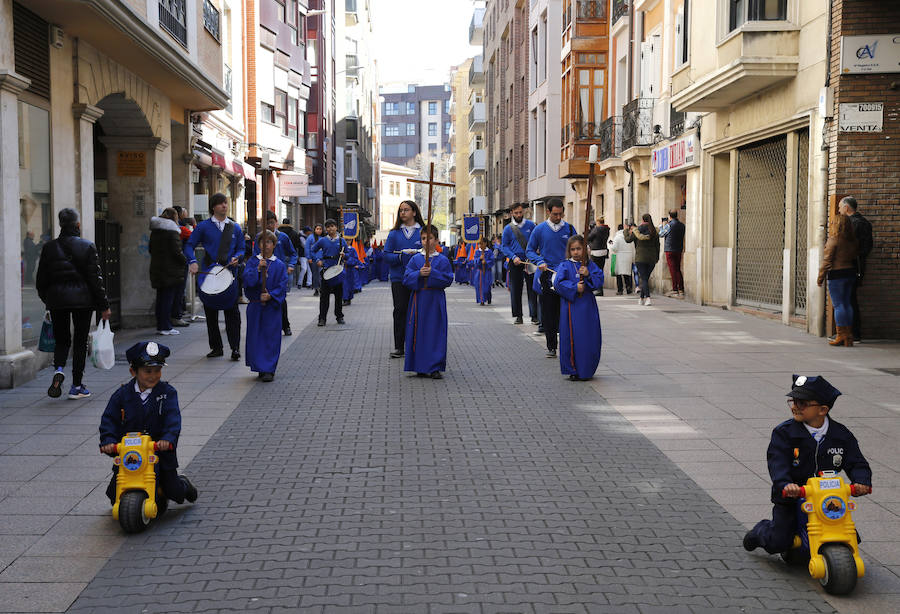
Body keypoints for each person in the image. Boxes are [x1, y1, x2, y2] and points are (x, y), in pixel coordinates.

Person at [743, 375, 871, 555]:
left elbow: (857, 462)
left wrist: (861, 481)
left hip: (826, 498)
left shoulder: (841, 435)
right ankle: (761, 531)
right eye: (793, 401)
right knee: (779, 541)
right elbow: (777, 463)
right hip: (793, 497)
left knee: (850, 538)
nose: (794, 406)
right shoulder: (785, 433)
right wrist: (786, 484)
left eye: (802, 403)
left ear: (822, 409)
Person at [99, 341, 198, 507]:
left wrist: (168, 438)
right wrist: (108, 441)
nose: (153, 375)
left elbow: (173, 419)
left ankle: (184, 485)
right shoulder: (121, 395)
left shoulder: (167, 393)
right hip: (131, 456)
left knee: (174, 491)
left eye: (158, 370)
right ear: (133, 372)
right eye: (147, 371)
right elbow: (109, 420)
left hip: (159, 453)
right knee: (114, 495)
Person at [36, 208, 111, 400]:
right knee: (79, 342)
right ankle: (77, 385)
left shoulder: (49, 247)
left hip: (57, 301)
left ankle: (58, 370)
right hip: (83, 302)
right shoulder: (87, 246)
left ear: (60, 224)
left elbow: (41, 280)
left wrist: (49, 299)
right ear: (77, 225)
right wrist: (103, 305)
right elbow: (96, 279)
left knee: (61, 341)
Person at [184, 193, 246, 361]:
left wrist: (238, 257)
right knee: (211, 313)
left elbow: (242, 248)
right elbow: (189, 245)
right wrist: (192, 261)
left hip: (229, 274)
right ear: (213, 207)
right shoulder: (203, 227)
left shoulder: (235, 227)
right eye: (220, 203)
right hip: (209, 273)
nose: (224, 206)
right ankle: (216, 347)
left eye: (225, 203)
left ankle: (235, 348)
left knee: (232, 313)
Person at [526, 198, 576, 358]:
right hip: (547, 274)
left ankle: (568, 344)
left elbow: (577, 247)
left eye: (561, 214)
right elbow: (530, 250)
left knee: (567, 310)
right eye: (555, 214)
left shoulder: (569, 228)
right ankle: (551, 346)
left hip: (566, 274)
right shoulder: (539, 229)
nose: (558, 217)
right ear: (548, 212)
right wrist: (539, 261)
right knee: (548, 311)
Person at [402, 225, 453, 379]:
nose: (426, 241)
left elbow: (448, 279)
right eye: (423, 238)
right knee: (418, 331)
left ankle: (435, 366)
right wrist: (418, 274)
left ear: (436, 240)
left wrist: (433, 273)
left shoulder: (442, 260)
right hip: (419, 300)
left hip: (435, 300)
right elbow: (406, 279)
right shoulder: (415, 259)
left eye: (430, 238)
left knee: (435, 332)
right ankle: (419, 366)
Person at [554, 235, 603, 381]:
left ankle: (587, 368)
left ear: (584, 249)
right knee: (571, 338)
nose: (576, 252)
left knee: (588, 338)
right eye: (573, 249)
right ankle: (573, 369)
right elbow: (558, 283)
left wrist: (587, 275)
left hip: (587, 307)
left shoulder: (590, 265)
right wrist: (575, 287)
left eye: (579, 249)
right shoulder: (565, 265)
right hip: (571, 307)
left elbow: (599, 280)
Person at [244, 230, 289, 382]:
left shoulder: (279, 265)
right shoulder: (252, 262)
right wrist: (257, 269)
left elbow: (283, 285)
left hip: (272, 307)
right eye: (263, 242)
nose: (266, 245)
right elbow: (247, 282)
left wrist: (271, 295)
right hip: (256, 306)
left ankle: (269, 368)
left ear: (274, 245)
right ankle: (259, 367)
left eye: (269, 242)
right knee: (256, 337)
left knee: (271, 337)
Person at [383, 200, 425, 359]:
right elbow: (386, 255)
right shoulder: (394, 234)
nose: (403, 213)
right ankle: (399, 346)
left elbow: (432, 251)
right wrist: (401, 256)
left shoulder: (422, 231)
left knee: (418, 310)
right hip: (399, 278)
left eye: (406, 210)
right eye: (400, 210)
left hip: (418, 277)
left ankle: (417, 344)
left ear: (414, 212)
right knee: (400, 310)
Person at [817, 213, 859, 347]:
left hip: (837, 275)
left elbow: (827, 260)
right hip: (850, 273)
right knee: (847, 304)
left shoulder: (834, 240)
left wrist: (820, 277)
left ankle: (841, 335)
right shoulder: (853, 241)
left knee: (839, 305)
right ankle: (849, 336)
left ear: (836, 224)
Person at [253, 211, 297, 336]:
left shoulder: (283, 237)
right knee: (265, 299)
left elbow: (293, 253)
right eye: (266, 223)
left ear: (276, 223)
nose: (269, 226)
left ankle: (285, 325)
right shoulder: (259, 238)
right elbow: (255, 256)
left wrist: (291, 265)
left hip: (280, 273)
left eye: (271, 223)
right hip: (264, 273)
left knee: (281, 299)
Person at [837, 197, 873, 343]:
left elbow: (849, 247)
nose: (839, 211)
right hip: (857, 266)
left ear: (846, 208)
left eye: (840, 208)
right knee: (850, 299)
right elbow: (867, 248)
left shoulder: (851, 224)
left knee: (848, 300)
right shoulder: (865, 223)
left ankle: (852, 333)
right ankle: (851, 333)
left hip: (849, 266)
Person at [149, 208, 187, 336]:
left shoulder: (155, 231)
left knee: (161, 298)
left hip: (157, 268)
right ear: (174, 217)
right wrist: (185, 261)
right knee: (167, 299)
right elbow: (177, 251)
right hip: (170, 270)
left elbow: (150, 249)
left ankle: (161, 325)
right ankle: (165, 326)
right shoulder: (172, 232)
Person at [501, 203, 538, 325]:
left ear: (523, 212)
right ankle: (518, 315)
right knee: (516, 289)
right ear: (512, 213)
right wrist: (513, 256)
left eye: (520, 212)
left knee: (532, 288)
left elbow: (536, 242)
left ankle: (534, 315)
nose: (518, 215)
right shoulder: (508, 228)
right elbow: (504, 246)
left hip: (530, 261)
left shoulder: (531, 225)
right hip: (515, 261)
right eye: (516, 213)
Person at [312, 219, 349, 326]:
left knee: (339, 296)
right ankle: (322, 318)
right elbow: (313, 250)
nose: (330, 229)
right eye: (328, 227)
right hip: (326, 271)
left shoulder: (342, 241)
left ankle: (339, 316)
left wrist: (344, 256)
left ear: (336, 227)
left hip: (337, 271)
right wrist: (317, 260)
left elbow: (348, 254)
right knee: (324, 297)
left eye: (332, 226)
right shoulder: (323, 240)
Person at [624, 214, 660, 306]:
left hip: (640, 258)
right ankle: (641, 298)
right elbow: (658, 245)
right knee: (645, 278)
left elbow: (628, 240)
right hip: (652, 258)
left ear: (642, 219)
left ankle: (647, 298)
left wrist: (625, 230)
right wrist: (657, 257)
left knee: (644, 278)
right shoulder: (654, 230)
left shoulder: (638, 229)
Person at [170, 206, 193, 327]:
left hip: (168, 265)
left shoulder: (163, 229)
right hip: (178, 265)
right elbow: (194, 238)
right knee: (179, 290)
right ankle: (176, 315)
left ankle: (173, 315)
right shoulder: (180, 229)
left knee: (170, 292)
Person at [659, 209, 686, 298]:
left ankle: (675, 290)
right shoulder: (682, 225)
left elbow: (661, 234)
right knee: (678, 269)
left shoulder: (669, 225)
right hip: (679, 249)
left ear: (669, 216)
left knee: (672, 270)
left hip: (670, 250)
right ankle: (681, 289)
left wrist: (662, 226)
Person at [586, 217, 610, 296]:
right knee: (601, 270)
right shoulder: (607, 229)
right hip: (603, 250)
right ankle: (600, 289)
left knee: (595, 271)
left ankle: (598, 289)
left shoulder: (597, 229)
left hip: (596, 251)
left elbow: (589, 238)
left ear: (598, 222)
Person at [608, 224, 635, 295]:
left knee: (619, 274)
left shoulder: (617, 237)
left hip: (620, 257)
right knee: (627, 273)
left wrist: (610, 245)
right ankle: (629, 288)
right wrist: (633, 258)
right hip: (628, 256)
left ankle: (620, 290)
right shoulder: (629, 237)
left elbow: (614, 248)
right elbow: (633, 248)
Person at [278, 218, 304, 291]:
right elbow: (298, 244)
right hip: (290, 254)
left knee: (280, 272)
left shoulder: (279, 233)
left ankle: (281, 287)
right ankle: (288, 288)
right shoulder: (294, 233)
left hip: (281, 254)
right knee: (290, 272)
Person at [472, 237, 494, 305]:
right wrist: (479, 259)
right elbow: (475, 261)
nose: (480, 245)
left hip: (487, 272)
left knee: (487, 287)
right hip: (479, 272)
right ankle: (482, 300)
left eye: (482, 244)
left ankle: (488, 298)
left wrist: (486, 262)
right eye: (479, 244)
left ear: (485, 243)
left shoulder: (489, 251)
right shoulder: (477, 252)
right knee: (479, 286)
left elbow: (492, 261)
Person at [306, 224, 324, 295]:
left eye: (320, 229)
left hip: (323, 259)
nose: (319, 230)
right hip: (313, 259)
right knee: (315, 275)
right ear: (314, 230)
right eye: (317, 229)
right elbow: (307, 248)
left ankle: (322, 288)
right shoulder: (310, 237)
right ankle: (316, 288)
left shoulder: (324, 237)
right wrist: (309, 257)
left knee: (322, 275)